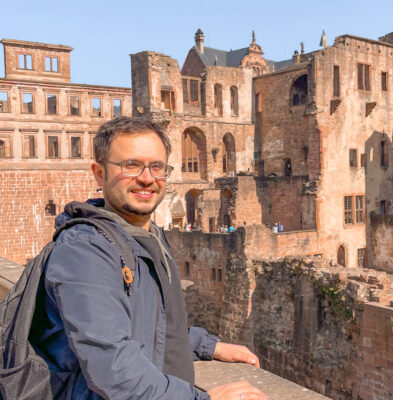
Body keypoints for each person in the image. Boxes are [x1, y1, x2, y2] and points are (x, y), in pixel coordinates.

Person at [32, 117, 265, 400]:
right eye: (131, 165)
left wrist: (206, 345)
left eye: (157, 167)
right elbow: (112, 366)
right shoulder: (85, 249)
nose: (147, 177)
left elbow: (147, 325)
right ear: (99, 173)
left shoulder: (146, 236)